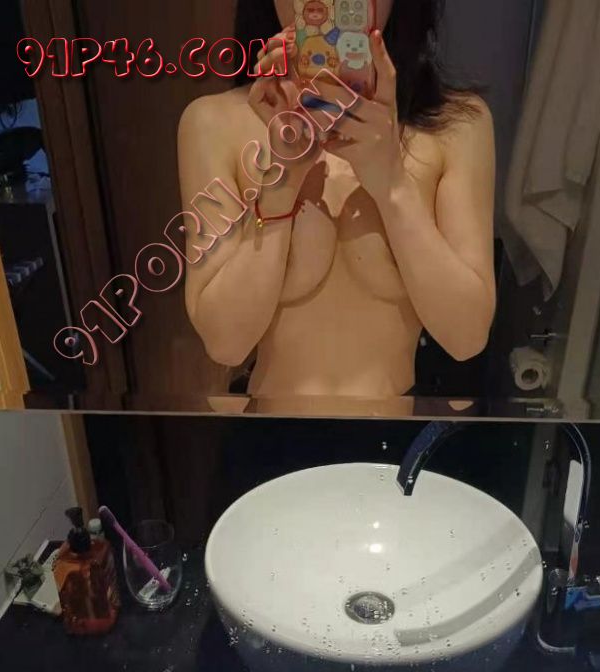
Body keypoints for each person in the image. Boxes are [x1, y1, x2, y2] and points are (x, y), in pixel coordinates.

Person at [179, 0, 496, 412]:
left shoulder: (456, 126)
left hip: (393, 439)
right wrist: (279, 188)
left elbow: (466, 336)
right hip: (270, 436)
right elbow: (225, 343)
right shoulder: (214, 123)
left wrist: (392, 186)